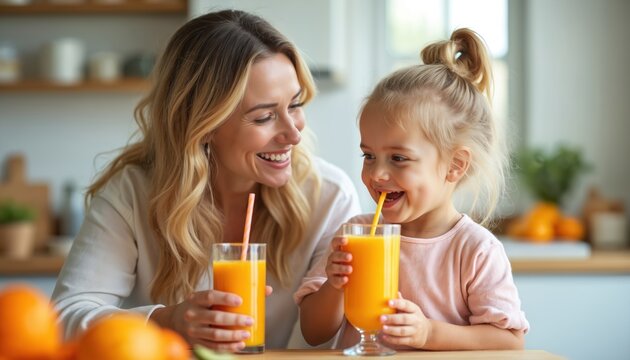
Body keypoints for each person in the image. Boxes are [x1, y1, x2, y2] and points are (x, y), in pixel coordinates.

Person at [52, 10, 361, 352]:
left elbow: (343, 336)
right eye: (264, 117)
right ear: (204, 123)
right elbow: (63, 318)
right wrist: (166, 321)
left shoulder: (329, 195)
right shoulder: (134, 193)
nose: (293, 134)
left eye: (296, 104)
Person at [295, 28, 529, 350]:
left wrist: (429, 333)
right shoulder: (357, 234)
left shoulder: (474, 250)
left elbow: (509, 342)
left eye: (399, 158)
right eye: (369, 156)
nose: (377, 174)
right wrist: (334, 287)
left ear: (455, 165)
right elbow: (313, 331)